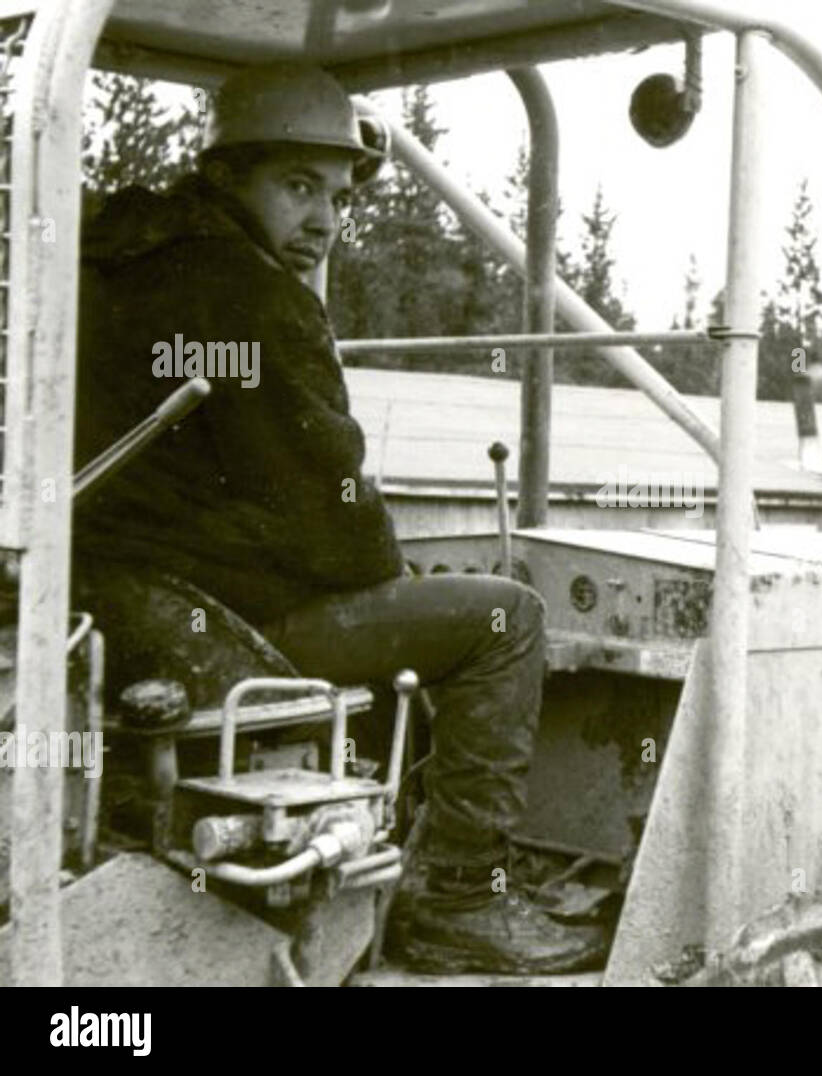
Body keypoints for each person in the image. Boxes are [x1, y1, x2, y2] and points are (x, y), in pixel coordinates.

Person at [73, 63, 605, 975]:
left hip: (117, 610)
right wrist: (396, 581)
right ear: (230, 175)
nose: (323, 222)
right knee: (500, 618)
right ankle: (458, 896)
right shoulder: (252, 294)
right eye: (297, 187)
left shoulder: (111, 261)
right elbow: (338, 520)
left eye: (337, 196)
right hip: (226, 627)